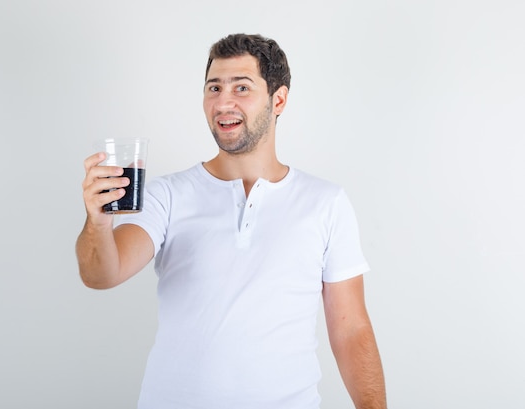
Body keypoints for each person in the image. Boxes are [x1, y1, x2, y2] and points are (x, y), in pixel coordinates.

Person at [76, 33, 387, 409]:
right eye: (214, 87)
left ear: (279, 100)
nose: (223, 102)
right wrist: (98, 221)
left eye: (242, 87)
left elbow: (352, 329)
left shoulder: (326, 203)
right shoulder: (167, 195)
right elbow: (101, 274)